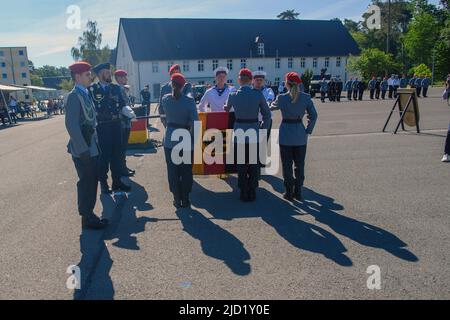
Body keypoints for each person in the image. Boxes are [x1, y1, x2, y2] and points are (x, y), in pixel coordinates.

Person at [65, 61, 107, 230]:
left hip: (91, 145)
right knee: (86, 183)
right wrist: (83, 151)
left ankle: (90, 214)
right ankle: (86, 217)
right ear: (77, 77)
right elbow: (71, 125)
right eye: (87, 74)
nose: (91, 77)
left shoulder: (85, 93)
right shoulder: (74, 95)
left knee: (92, 181)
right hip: (83, 148)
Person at [224, 68, 271, 202]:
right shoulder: (258, 94)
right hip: (254, 131)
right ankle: (252, 189)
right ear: (251, 80)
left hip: (239, 131)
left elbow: (226, 109)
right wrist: (263, 128)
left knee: (241, 163)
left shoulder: (233, 95)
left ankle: (243, 190)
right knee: (254, 163)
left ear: (239, 80)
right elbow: (267, 114)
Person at [270, 72, 318, 201]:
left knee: (287, 165)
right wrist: (308, 130)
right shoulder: (306, 97)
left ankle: (288, 192)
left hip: (286, 133)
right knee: (299, 165)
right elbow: (314, 116)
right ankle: (298, 190)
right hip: (300, 134)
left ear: (287, 83)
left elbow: (271, 107)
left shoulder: (281, 98)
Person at [89, 63, 131, 194]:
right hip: (102, 126)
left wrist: (128, 112)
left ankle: (117, 181)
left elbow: (123, 104)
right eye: (107, 72)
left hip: (116, 124)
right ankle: (103, 183)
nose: (110, 74)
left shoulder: (116, 88)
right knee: (104, 156)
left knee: (117, 155)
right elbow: (90, 109)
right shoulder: (92, 89)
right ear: (100, 74)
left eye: (109, 72)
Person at [159, 73, 199, 208]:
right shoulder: (189, 101)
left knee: (172, 171)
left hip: (170, 138)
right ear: (184, 86)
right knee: (186, 171)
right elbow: (195, 122)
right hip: (185, 139)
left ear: (171, 84)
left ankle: (176, 198)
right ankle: (186, 198)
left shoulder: (165, 99)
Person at [114, 69, 136, 178]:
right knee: (122, 147)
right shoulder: (119, 89)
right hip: (123, 123)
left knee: (123, 147)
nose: (126, 79)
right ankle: (122, 169)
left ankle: (122, 167)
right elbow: (123, 106)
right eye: (124, 77)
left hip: (125, 122)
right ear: (118, 78)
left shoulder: (122, 89)